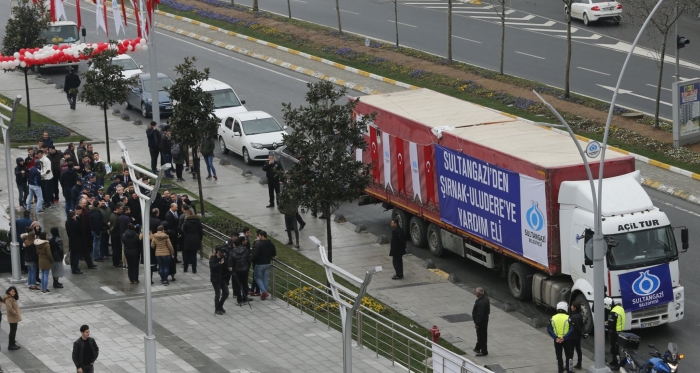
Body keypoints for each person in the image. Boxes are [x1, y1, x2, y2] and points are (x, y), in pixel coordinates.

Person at [548, 301, 574, 373]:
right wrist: (564, 337)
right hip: (567, 340)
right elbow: (572, 329)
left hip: (557, 340)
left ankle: (560, 370)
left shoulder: (553, 318)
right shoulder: (568, 318)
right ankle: (569, 370)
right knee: (569, 356)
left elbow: (549, 329)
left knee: (559, 357)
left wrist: (555, 337)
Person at [251, 230, 275, 300]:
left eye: (260, 236)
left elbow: (256, 254)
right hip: (268, 263)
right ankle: (264, 292)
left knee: (257, 277)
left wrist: (251, 260)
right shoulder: (271, 244)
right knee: (265, 278)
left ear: (262, 236)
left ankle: (264, 292)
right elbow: (274, 253)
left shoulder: (260, 244)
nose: (259, 237)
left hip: (260, 264)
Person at [230, 237, 253, 306]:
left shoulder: (232, 252)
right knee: (245, 284)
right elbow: (249, 260)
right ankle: (245, 299)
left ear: (234, 244)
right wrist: (247, 267)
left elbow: (230, 262)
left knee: (237, 286)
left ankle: (239, 300)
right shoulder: (245, 249)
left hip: (237, 270)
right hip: (245, 270)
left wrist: (231, 268)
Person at [605, 297, 626, 369]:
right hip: (620, 331)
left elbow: (610, 326)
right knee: (615, 348)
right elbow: (617, 319)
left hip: (614, 332)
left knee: (615, 349)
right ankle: (614, 361)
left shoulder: (612, 313)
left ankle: (617, 365)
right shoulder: (620, 308)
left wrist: (604, 325)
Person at [181, 208, 202, 273]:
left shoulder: (186, 221)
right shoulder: (198, 221)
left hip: (188, 239)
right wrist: (200, 239)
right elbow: (200, 231)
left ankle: (185, 268)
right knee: (194, 255)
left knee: (186, 254)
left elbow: (184, 230)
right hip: (196, 239)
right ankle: (194, 269)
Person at [210, 246, 229, 315]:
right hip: (215, 279)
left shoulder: (223, 257)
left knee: (226, 293)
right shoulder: (213, 258)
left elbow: (226, 266)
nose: (222, 253)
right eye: (221, 252)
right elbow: (212, 267)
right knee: (218, 294)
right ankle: (217, 309)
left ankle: (220, 305)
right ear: (218, 251)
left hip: (223, 278)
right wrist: (219, 263)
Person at [472, 287, 490, 356]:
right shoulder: (485, 299)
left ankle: (484, 351)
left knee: (481, 336)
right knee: (480, 335)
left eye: (476, 292)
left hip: (481, 322)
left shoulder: (481, 303)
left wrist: (477, 323)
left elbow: (480, 314)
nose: (475, 292)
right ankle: (477, 347)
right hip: (484, 320)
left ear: (479, 294)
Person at [569, 301, 584, 370]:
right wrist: (582, 333)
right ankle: (579, 364)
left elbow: (576, 327)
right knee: (578, 350)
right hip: (578, 336)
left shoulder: (574, 317)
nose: (571, 307)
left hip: (573, 336)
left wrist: (580, 332)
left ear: (575, 308)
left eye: (572, 306)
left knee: (571, 351)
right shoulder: (580, 315)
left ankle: (569, 366)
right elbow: (582, 325)